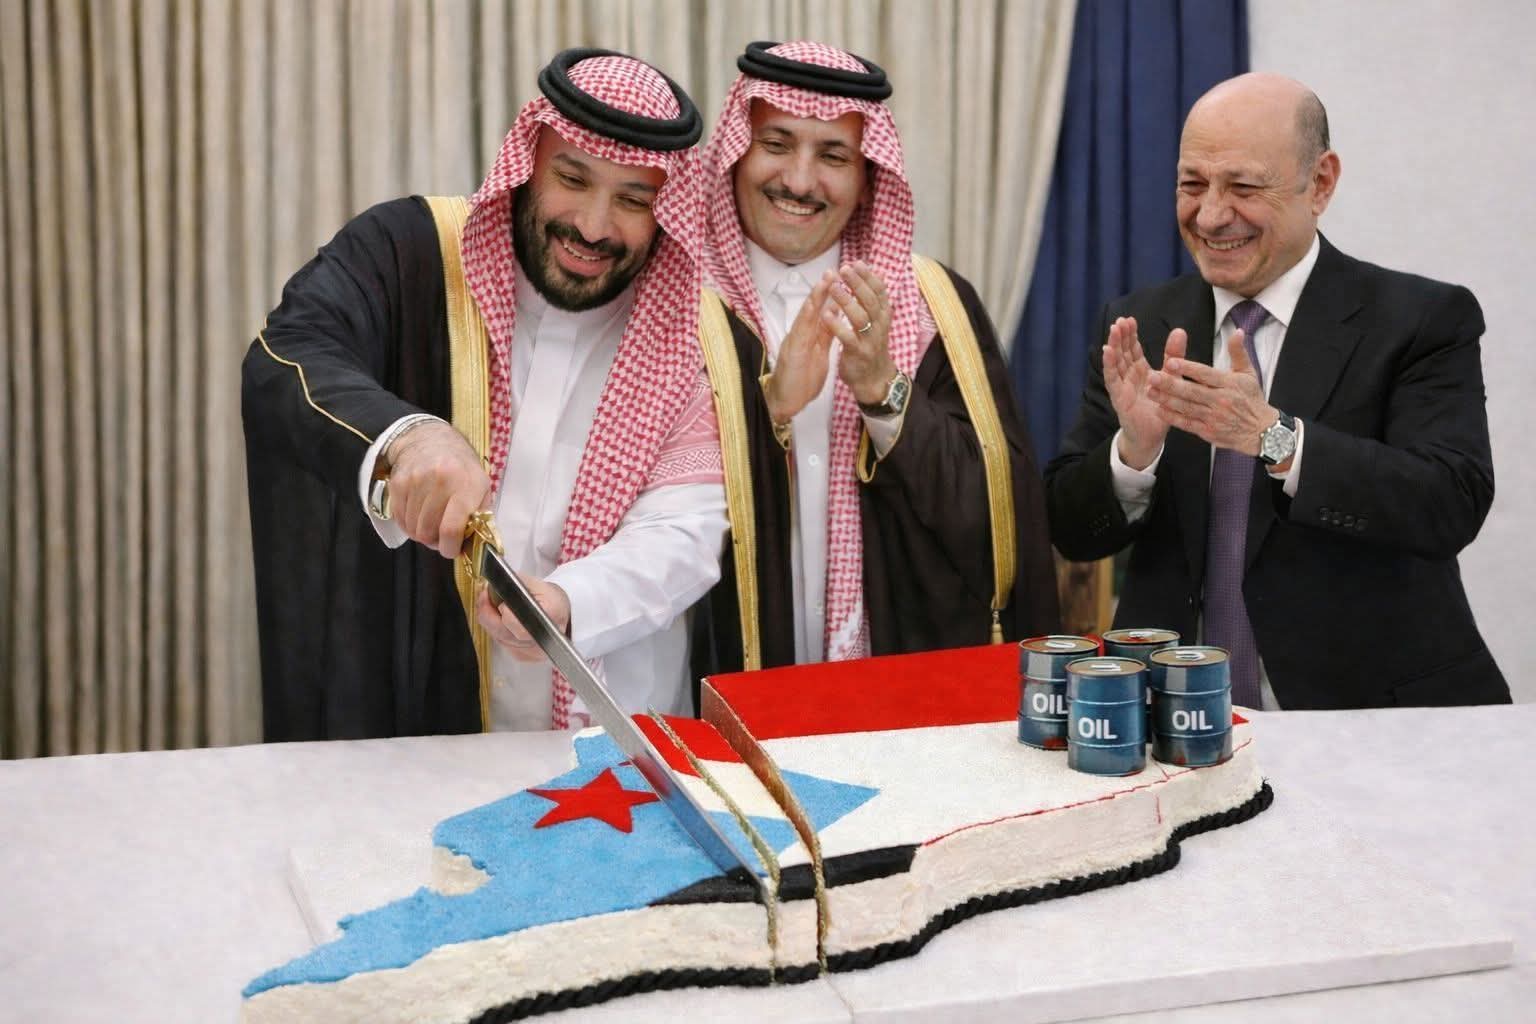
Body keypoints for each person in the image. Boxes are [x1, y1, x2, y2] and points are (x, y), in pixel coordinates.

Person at [242, 49, 728, 739]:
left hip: (611, 742)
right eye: (572, 179)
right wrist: (407, 436)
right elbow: (288, 353)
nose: (594, 226)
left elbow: (683, 531)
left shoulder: (691, 329)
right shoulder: (406, 253)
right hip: (424, 734)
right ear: (528, 163)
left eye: (633, 200)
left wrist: (568, 603)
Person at [1047, 72, 1507, 710]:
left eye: (1243, 187)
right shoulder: (1140, 323)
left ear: (1320, 183)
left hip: (1370, 714)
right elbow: (1072, 530)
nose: (1211, 215)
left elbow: (1449, 502)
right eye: (1192, 185)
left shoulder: (1419, 319)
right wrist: (1134, 454)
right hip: (1176, 715)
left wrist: (1276, 440)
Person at [691, 40, 1059, 679]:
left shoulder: (935, 308)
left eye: (833, 156)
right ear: (735, 154)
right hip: (714, 681)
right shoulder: (676, 302)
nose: (799, 180)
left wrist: (883, 389)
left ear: (868, 180)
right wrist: (768, 408)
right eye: (776, 144)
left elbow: (996, 522)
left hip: (883, 692)